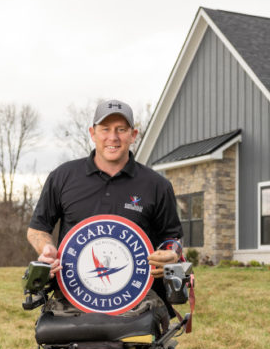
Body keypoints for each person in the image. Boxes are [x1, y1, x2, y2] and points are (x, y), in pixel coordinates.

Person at [27, 99, 183, 320]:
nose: (113, 137)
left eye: (121, 129)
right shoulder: (63, 177)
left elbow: (172, 236)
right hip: (74, 295)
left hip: (137, 298)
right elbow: (37, 229)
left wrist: (171, 253)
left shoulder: (156, 185)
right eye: (105, 129)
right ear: (92, 133)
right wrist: (47, 249)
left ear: (133, 135)